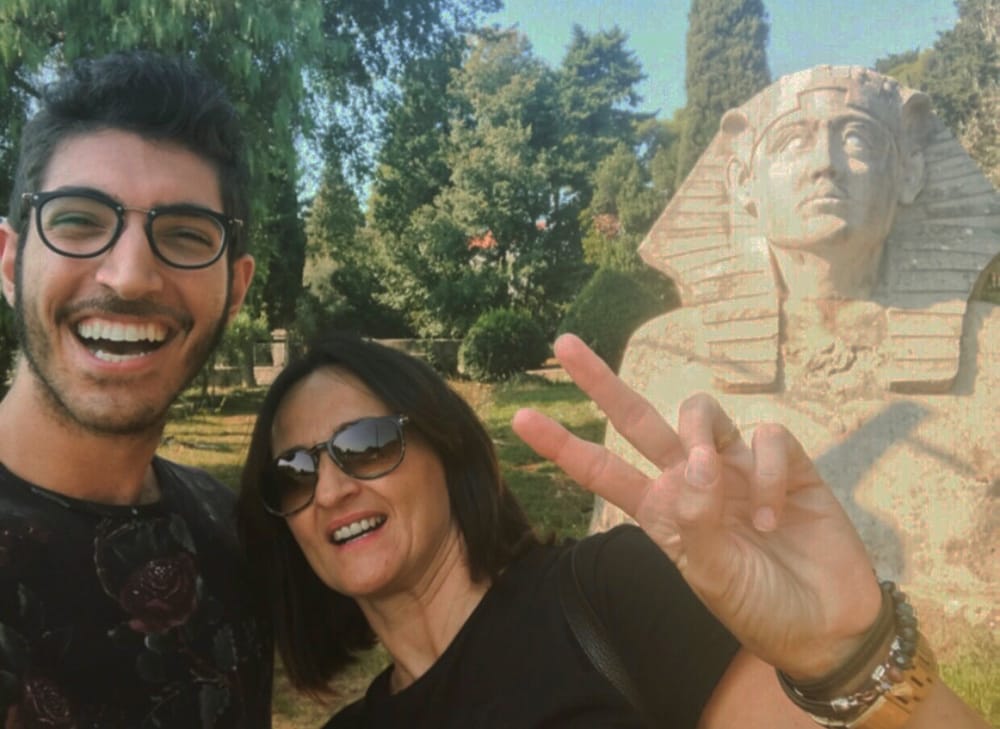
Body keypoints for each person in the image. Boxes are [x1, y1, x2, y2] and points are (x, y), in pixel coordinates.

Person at [235, 330, 989, 728]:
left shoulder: (614, 591)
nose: (330, 487)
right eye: (294, 473)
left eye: (365, 445)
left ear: (447, 448)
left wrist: (848, 659)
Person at [594, 67, 1000, 636]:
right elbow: (618, 594)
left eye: (857, 138)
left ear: (910, 173)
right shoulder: (666, 353)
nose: (826, 164)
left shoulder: (992, 349)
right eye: (792, 142)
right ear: (741, 183)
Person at [0, 51, 271, 726]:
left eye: (184, 234)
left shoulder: (230, 533)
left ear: (235, 289)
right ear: (10, 262)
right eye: (79, 219)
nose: (129, 276)